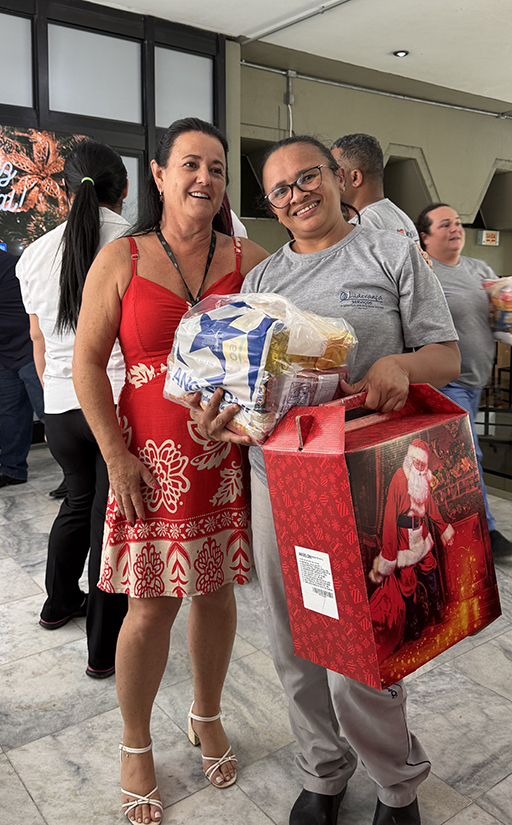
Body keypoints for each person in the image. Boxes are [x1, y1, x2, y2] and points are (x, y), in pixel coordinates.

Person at [187, 135, 460, 825]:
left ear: (338, 178)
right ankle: (322, 769)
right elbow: (244, 389)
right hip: (280, 478)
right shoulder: (261, 281)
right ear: (273, 207)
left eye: (307, 177)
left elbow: (447, 354)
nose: (296, 194)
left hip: (365, 477)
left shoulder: (391, 250)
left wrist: (402, 365)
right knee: (295, 641)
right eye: (279, 189)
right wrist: (218, 419)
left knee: (362, 647)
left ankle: (396, 784)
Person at [72, 117, 268, 823]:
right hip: (147, 465)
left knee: (215, 594)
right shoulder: (122, 256)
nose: (205, 180)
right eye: (190, 164)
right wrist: (116, 456)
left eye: (216, 168)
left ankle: (206, 712)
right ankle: (134, 742)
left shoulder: (247, 254)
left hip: (223, 461)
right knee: (150, 606)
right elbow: (87, 364)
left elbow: (286, 328)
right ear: (157, 175)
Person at [16, 141, 130, 679]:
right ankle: (103, 652)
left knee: (78, 503)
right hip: (114, 402)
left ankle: (58, 603)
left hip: (61, 404)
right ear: (125, 190)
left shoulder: (33, 254)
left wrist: (55, 394)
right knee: (112, 525)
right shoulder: (132, 244)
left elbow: (40, 342)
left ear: (63, 191)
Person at [416, 203, 512, 558]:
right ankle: (485, 531)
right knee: (467, 453)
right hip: (447, 381)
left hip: (476, 380)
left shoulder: (479, 268)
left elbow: (498, 315)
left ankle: (442, 525)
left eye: (458, 222)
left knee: (448, 459)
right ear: (425, 236)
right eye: (445, 224)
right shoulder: (425, 271)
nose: (456, 228)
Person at [370, 438, 455, 642]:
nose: (419, 467)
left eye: (422, 465)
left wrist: (443, 527)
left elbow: (430, 505)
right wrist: (388, 554)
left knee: (429, 567)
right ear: (410, 460)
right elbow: (390, 517)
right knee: (407, 579)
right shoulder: (399, 479)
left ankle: (437, 607)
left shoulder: (423, 478)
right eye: (416, 463)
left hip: (421, 534)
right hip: (403, 538)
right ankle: (413, 621)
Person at [0, 249, 45, 487]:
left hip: (31, 347)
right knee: (10, 414)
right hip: (6, 353)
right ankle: (13, 469)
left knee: (49, 411)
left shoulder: (9, 264)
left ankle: (74, 474)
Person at [331, 133, 419, 241]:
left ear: (355, 177)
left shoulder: (359, 229)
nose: (331, 181)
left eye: (335, 174)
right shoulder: (403, 219)